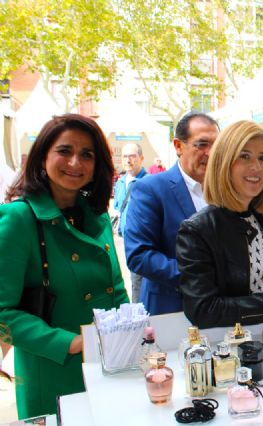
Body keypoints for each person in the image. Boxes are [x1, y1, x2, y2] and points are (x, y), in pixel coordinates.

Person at [0, 114, 128, 419]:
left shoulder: (97, 217)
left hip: (108, 363)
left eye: (87, 154)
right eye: (64, 151)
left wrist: (130, 331)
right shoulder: (18, 218)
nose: (75, 162)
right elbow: (3, 313)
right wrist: (70, 343)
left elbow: (117, 289)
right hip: (53, 369)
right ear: (43, 155)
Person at [176, 120, 263, 328]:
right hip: (233, 352)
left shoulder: (261, 216)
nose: (256, 167)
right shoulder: (197, 230)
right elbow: (202, 310)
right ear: (224, 162)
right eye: (245, 156)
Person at [124, 112, 219, 315]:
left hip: (222, 310)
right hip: (170, 310)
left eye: (216, 145)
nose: (210, 153)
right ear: (178, 146)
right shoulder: (151, 189)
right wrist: (198, 275)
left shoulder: (226, 191)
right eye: (201, 144)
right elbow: (139, 255)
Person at [112, 142, 147, 303]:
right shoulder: (120, 183)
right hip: (126, 238)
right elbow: (118, 206)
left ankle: (139, 311)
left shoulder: (149, 182)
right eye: (125, 156)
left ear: (141, 158)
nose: (128, 160)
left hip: (143, 239)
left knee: (139, 277)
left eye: (132, 156)